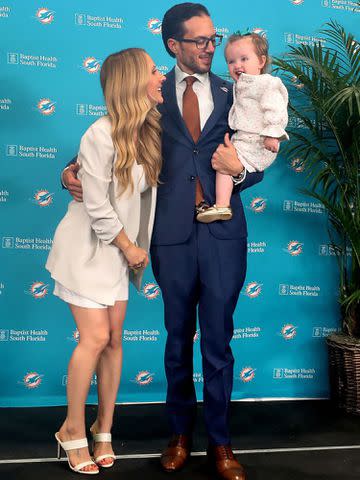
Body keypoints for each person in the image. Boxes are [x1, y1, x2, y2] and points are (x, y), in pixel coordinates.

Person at [62, 4, 263, 479]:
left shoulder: (238, 93)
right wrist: (67, 171)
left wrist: (244, 172)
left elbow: (255, 150)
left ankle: (220, 442)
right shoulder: (150, 93)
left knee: (219, 341)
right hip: (169, 237)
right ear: (173, 45)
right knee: (177, 340)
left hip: (223, 233)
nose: (211, 48)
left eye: (214, 39)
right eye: (200, 41)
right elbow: (102, 147)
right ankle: (178, 435)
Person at [47, 48, 164, 474]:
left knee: (114, 340)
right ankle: (71, 431)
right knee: (94, 339)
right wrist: (131, 248)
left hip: (119, 253)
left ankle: (103, 430)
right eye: (153, 70)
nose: (161, 76)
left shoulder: (150, 131)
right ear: (133, 80)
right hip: (89, 250)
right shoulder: (99, 133)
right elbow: (96, 207)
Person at [197, 32, 288, 223]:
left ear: (261, 61)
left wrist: (272, 135)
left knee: (225, 165)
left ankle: (222, 205)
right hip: (243, 139)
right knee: (222, 165)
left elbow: (275, 109)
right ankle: (221, 206)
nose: (237, 65)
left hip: (257, 141)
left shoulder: (267, 83)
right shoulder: (238, 87)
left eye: (244, 59)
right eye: (231, 61)